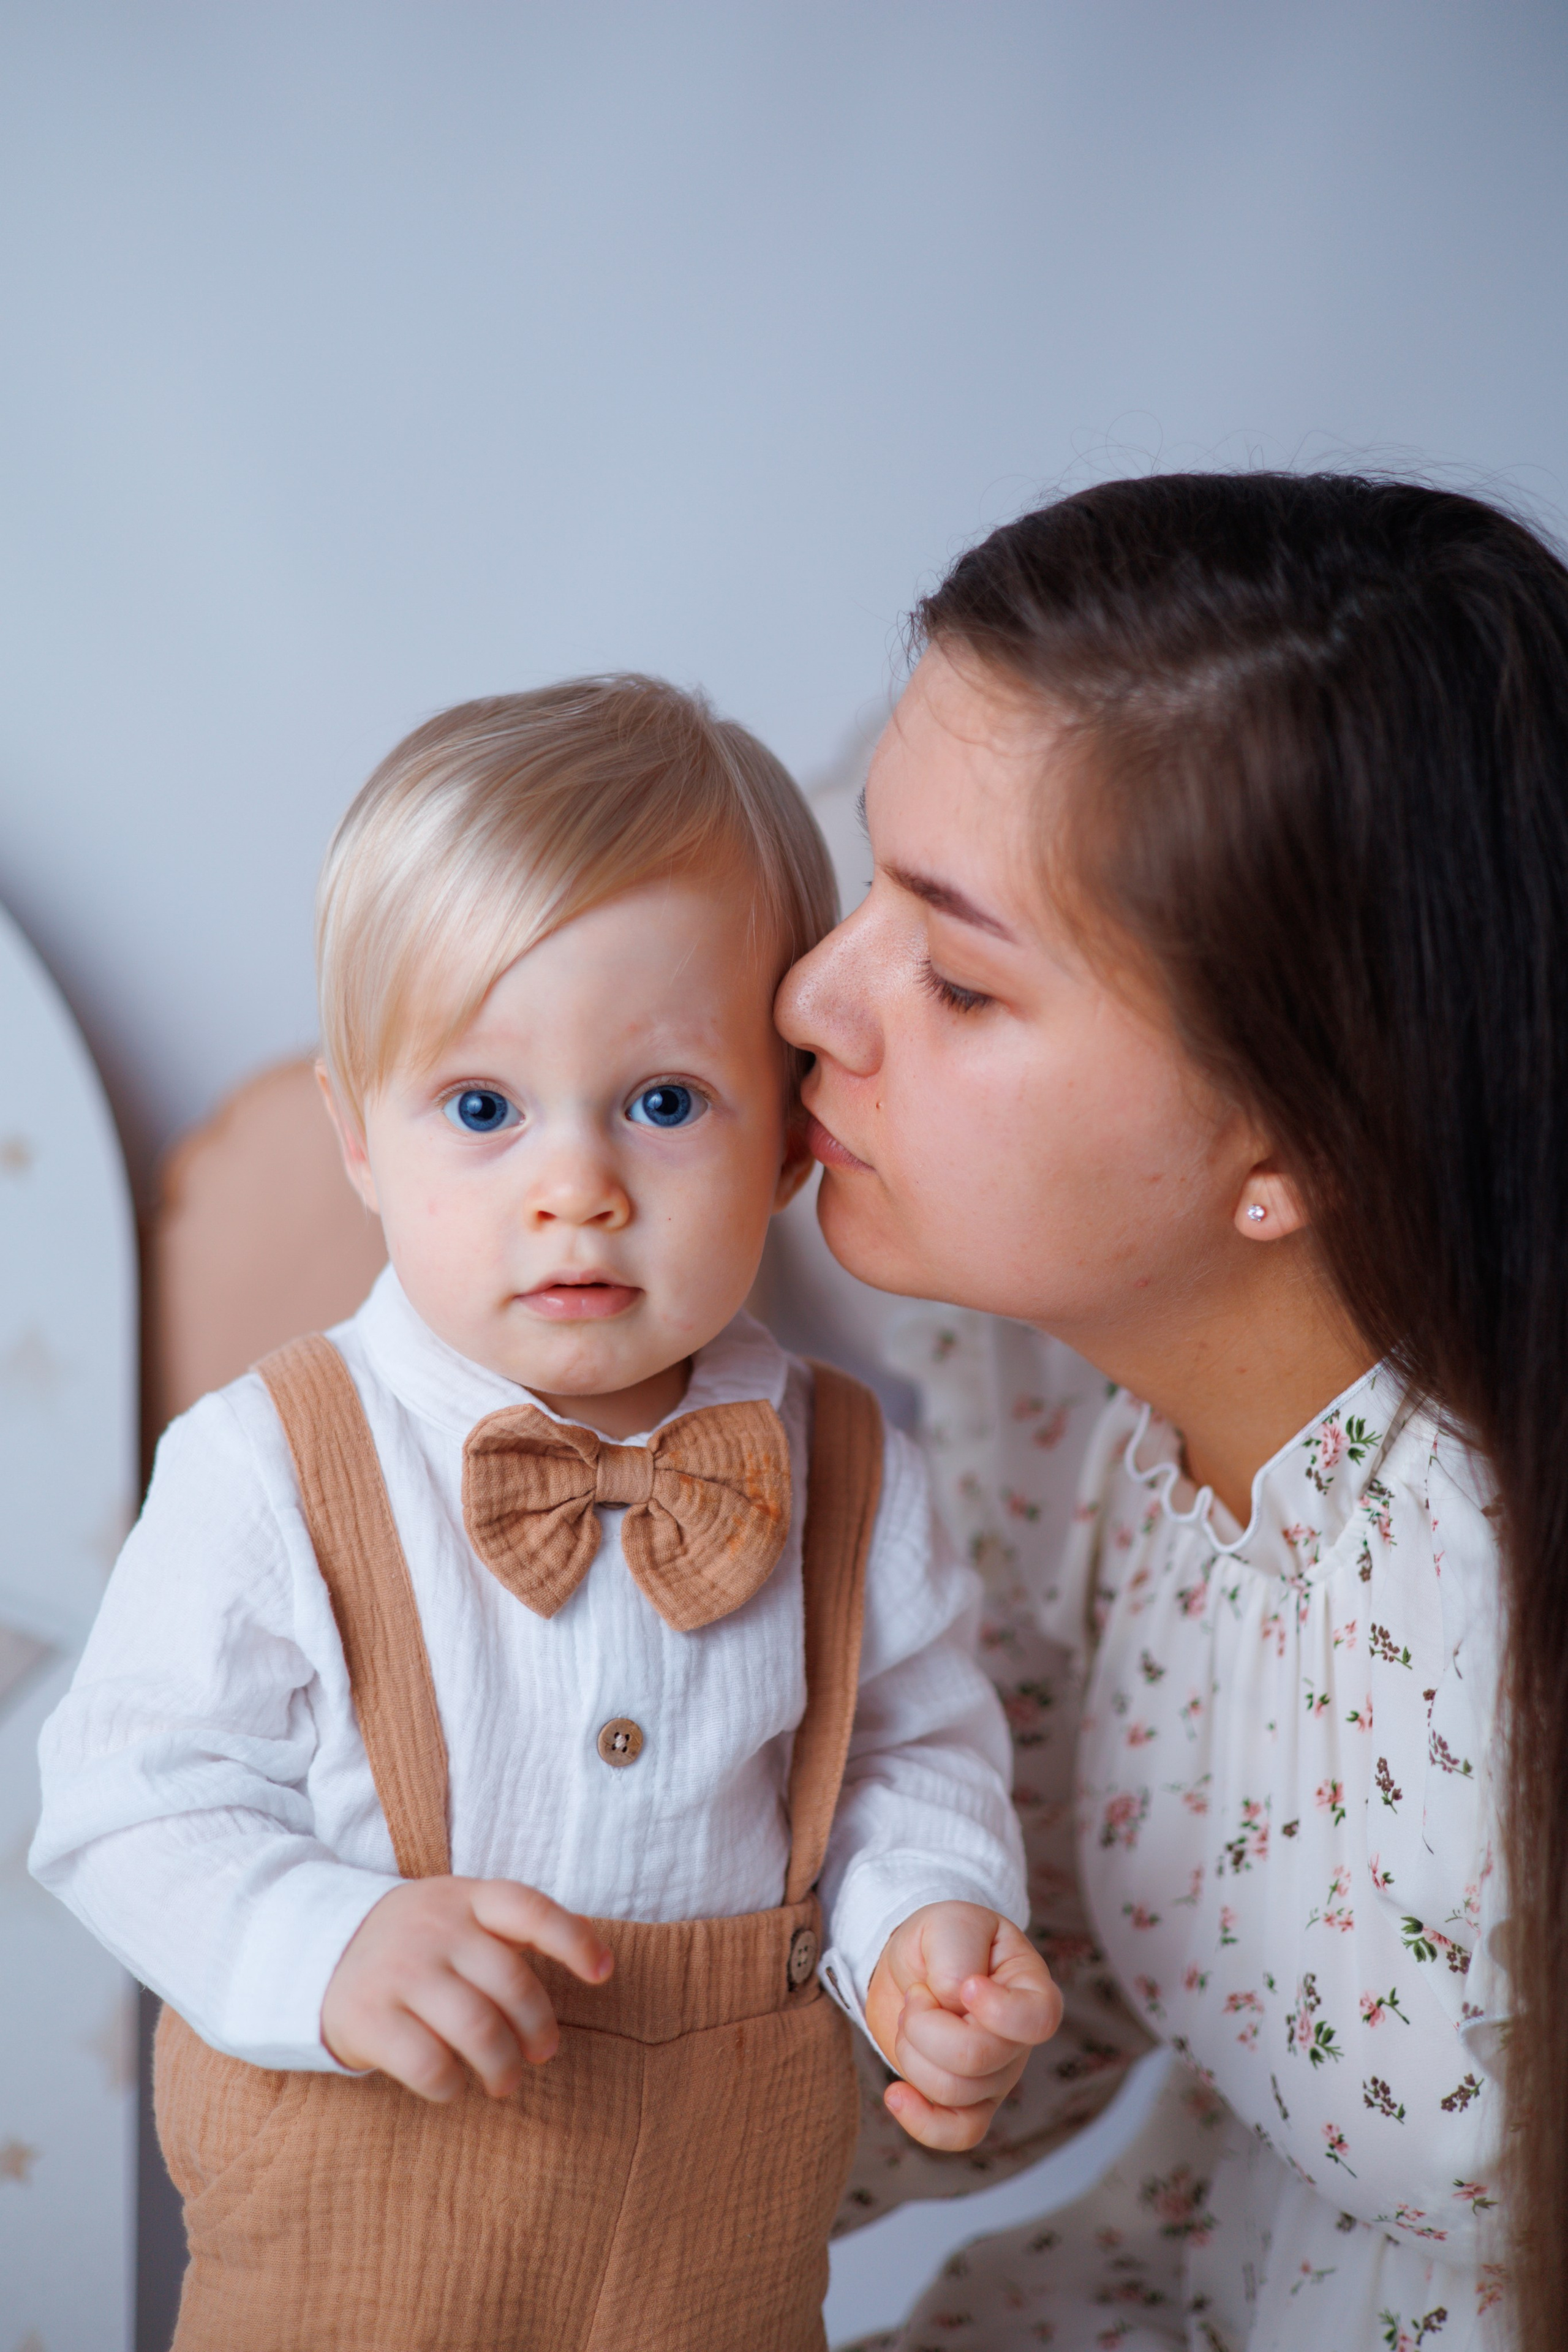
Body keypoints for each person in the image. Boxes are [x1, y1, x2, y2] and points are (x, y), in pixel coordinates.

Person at [30, 676, 1062, 2351]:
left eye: (664, 1103)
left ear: (790, 1147)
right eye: (485, 1109)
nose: (572, 1184)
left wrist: (922, 1930)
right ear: (359, 1137)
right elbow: (125, 1802)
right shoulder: (272, 1461)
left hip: (709, 2252)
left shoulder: (855, 1472)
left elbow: (909, 1762)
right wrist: (324, 1944)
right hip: (360, 2232)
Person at [778, 472, 1568, 2351]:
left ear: (1291, 1136)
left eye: (958, 979)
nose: (819, 994)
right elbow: (1048, 1974)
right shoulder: (1070, 1408)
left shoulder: (1495, 1621)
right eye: (868, 893)